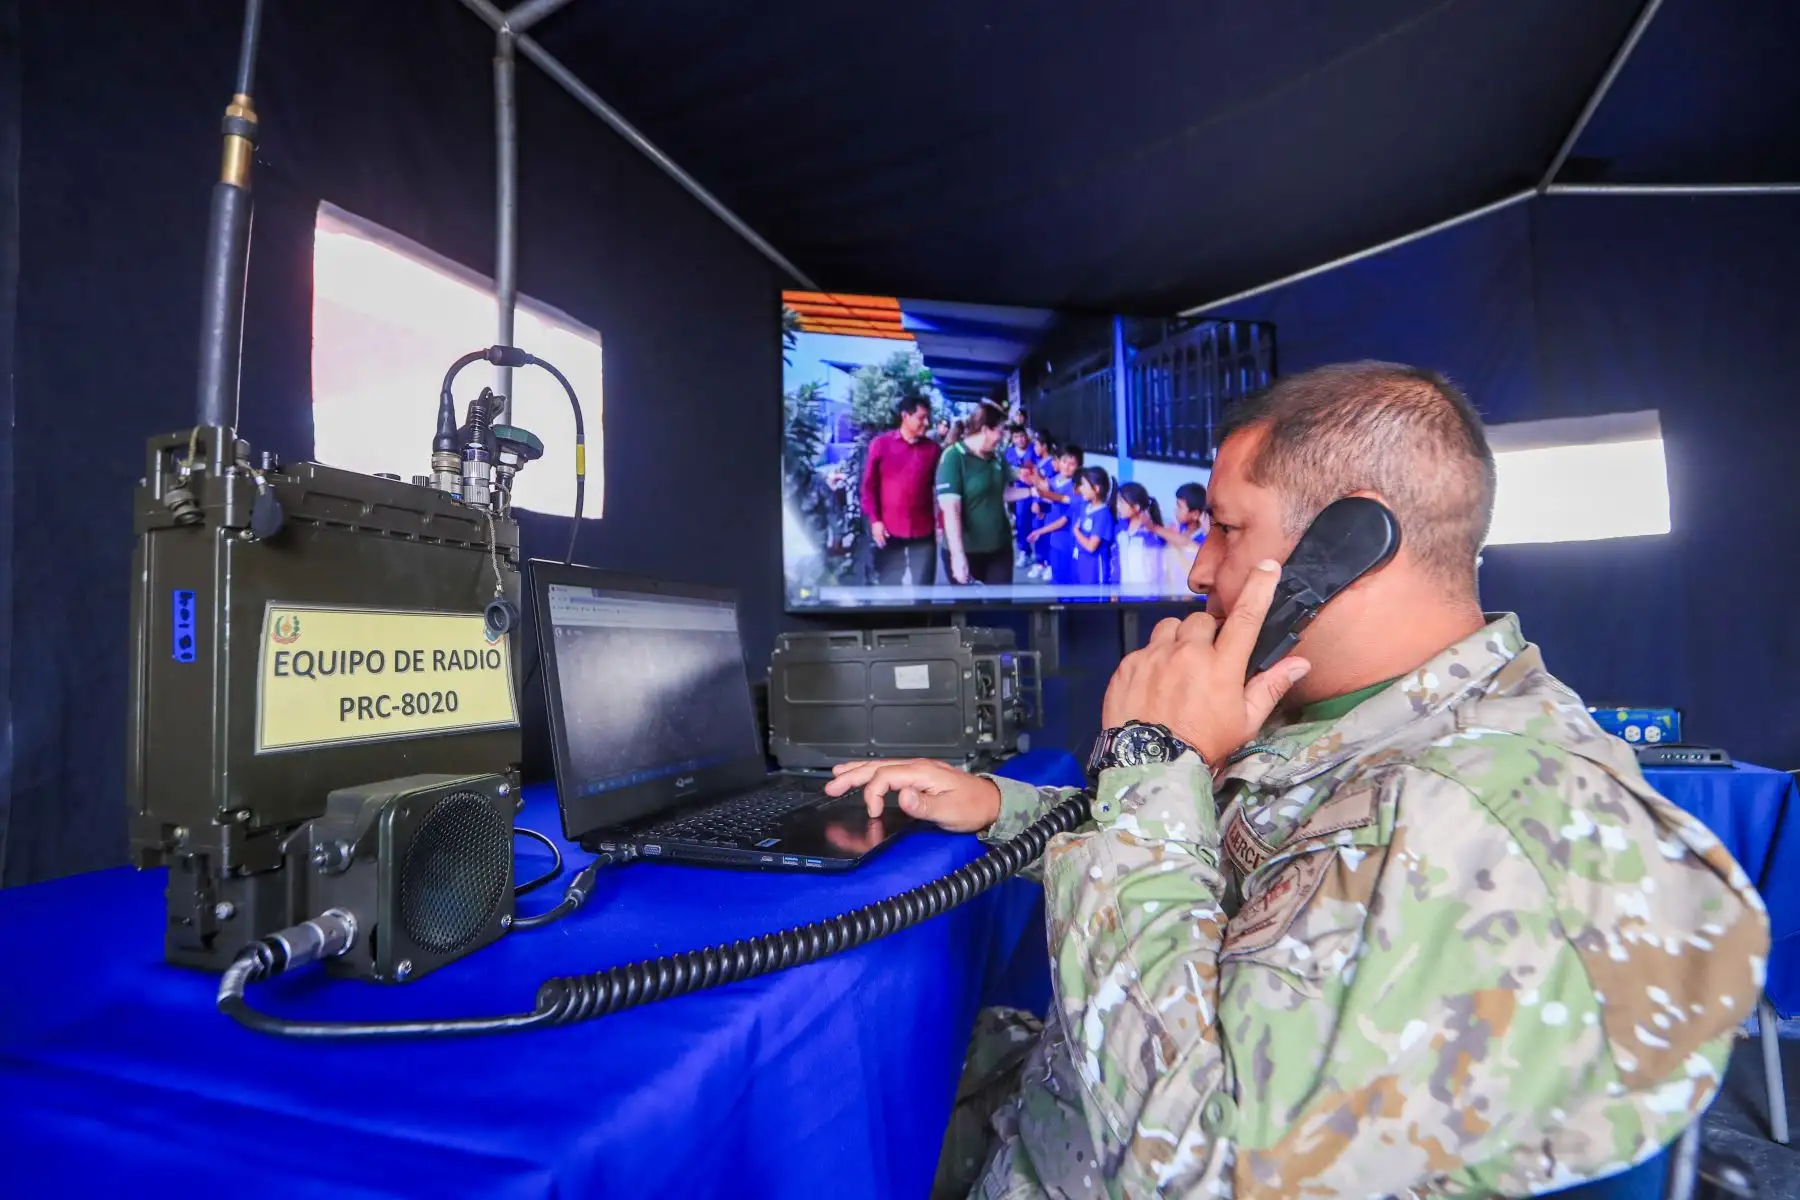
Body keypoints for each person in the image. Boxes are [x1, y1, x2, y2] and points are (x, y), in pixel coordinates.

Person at [826, 361, 1769, 1198]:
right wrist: (1006, 809)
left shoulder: (1477, 823)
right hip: (1044, 1123)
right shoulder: (1347, 715)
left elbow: (1198, 1167)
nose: (1196, 567)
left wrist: (1151, 758)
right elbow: (1224, 862)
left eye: (1226, 529)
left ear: (1349, 543)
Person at [860, 395, 943, 587]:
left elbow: (941, 490)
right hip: (889, 530)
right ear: (905, 416)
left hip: (923, 530)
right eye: (921, 418)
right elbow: (868, 488)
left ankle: (922, 618)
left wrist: (942, 522)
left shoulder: (933, 450)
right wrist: (875, 521)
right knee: (890, 586)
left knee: (924, 588)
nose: (927, 423)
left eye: (927, 417)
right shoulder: (881, 445)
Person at [936, 401, 1015, 585]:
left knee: (1001, 609)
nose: (1002, 436)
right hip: (966, 551)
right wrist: (958, 556)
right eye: (1000, 430)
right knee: (970, 610)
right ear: (986, 429)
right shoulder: (954, 457)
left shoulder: (996, 456)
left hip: (999, 548)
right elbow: (951, 510)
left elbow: (1002, 493)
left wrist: (1033, 491)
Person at [1024, 444, 1081, 585]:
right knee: (1056, 575)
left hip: (1065, 538)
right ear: (1057, 462)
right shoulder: (1055, 479)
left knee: (1065, 578)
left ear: (1078, 467)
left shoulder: (1076, 488)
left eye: (1072, 464)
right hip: (1052, 536)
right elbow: (1045, 492)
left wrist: (1039, 487)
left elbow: (1056, 500)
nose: (1067, 466)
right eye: (1064, 461)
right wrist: (1037, 502)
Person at [1154, 479, 1209, 595]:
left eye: (1179, 507)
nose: (1175, 510)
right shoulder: (1175, 532)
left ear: (1195, 514)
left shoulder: (1202, 539)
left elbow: (1186, 544)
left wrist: (1152, 527)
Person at [1114, 481, 1166, 593]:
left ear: (1136, 507)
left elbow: (1155, 572)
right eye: (1118, 502)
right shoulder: (1121, 531)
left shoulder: (1150, 535)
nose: (1118, 506)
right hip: (1124, 596)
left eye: (1122, 502)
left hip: (1146, 598)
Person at [1069, 466, 1117, 586]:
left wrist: (1076, 532)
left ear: (1096, 489)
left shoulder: (1103, 514)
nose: (1081, 489)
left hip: (1095, 565)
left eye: (1084, 485)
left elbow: (1091, 546)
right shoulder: (1087, 506)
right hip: (1083, 561)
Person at [1004, 425, 1039, 567]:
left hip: (1036, 488)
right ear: (1012, 439)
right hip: (1019, 491)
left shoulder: (1034, 449)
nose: (1020, 439)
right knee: (1022, 522)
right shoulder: (1009, 453)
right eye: (1016, 437)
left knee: (1038, 522)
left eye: (1022, 436)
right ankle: (1025, 551)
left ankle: (1041, 557)